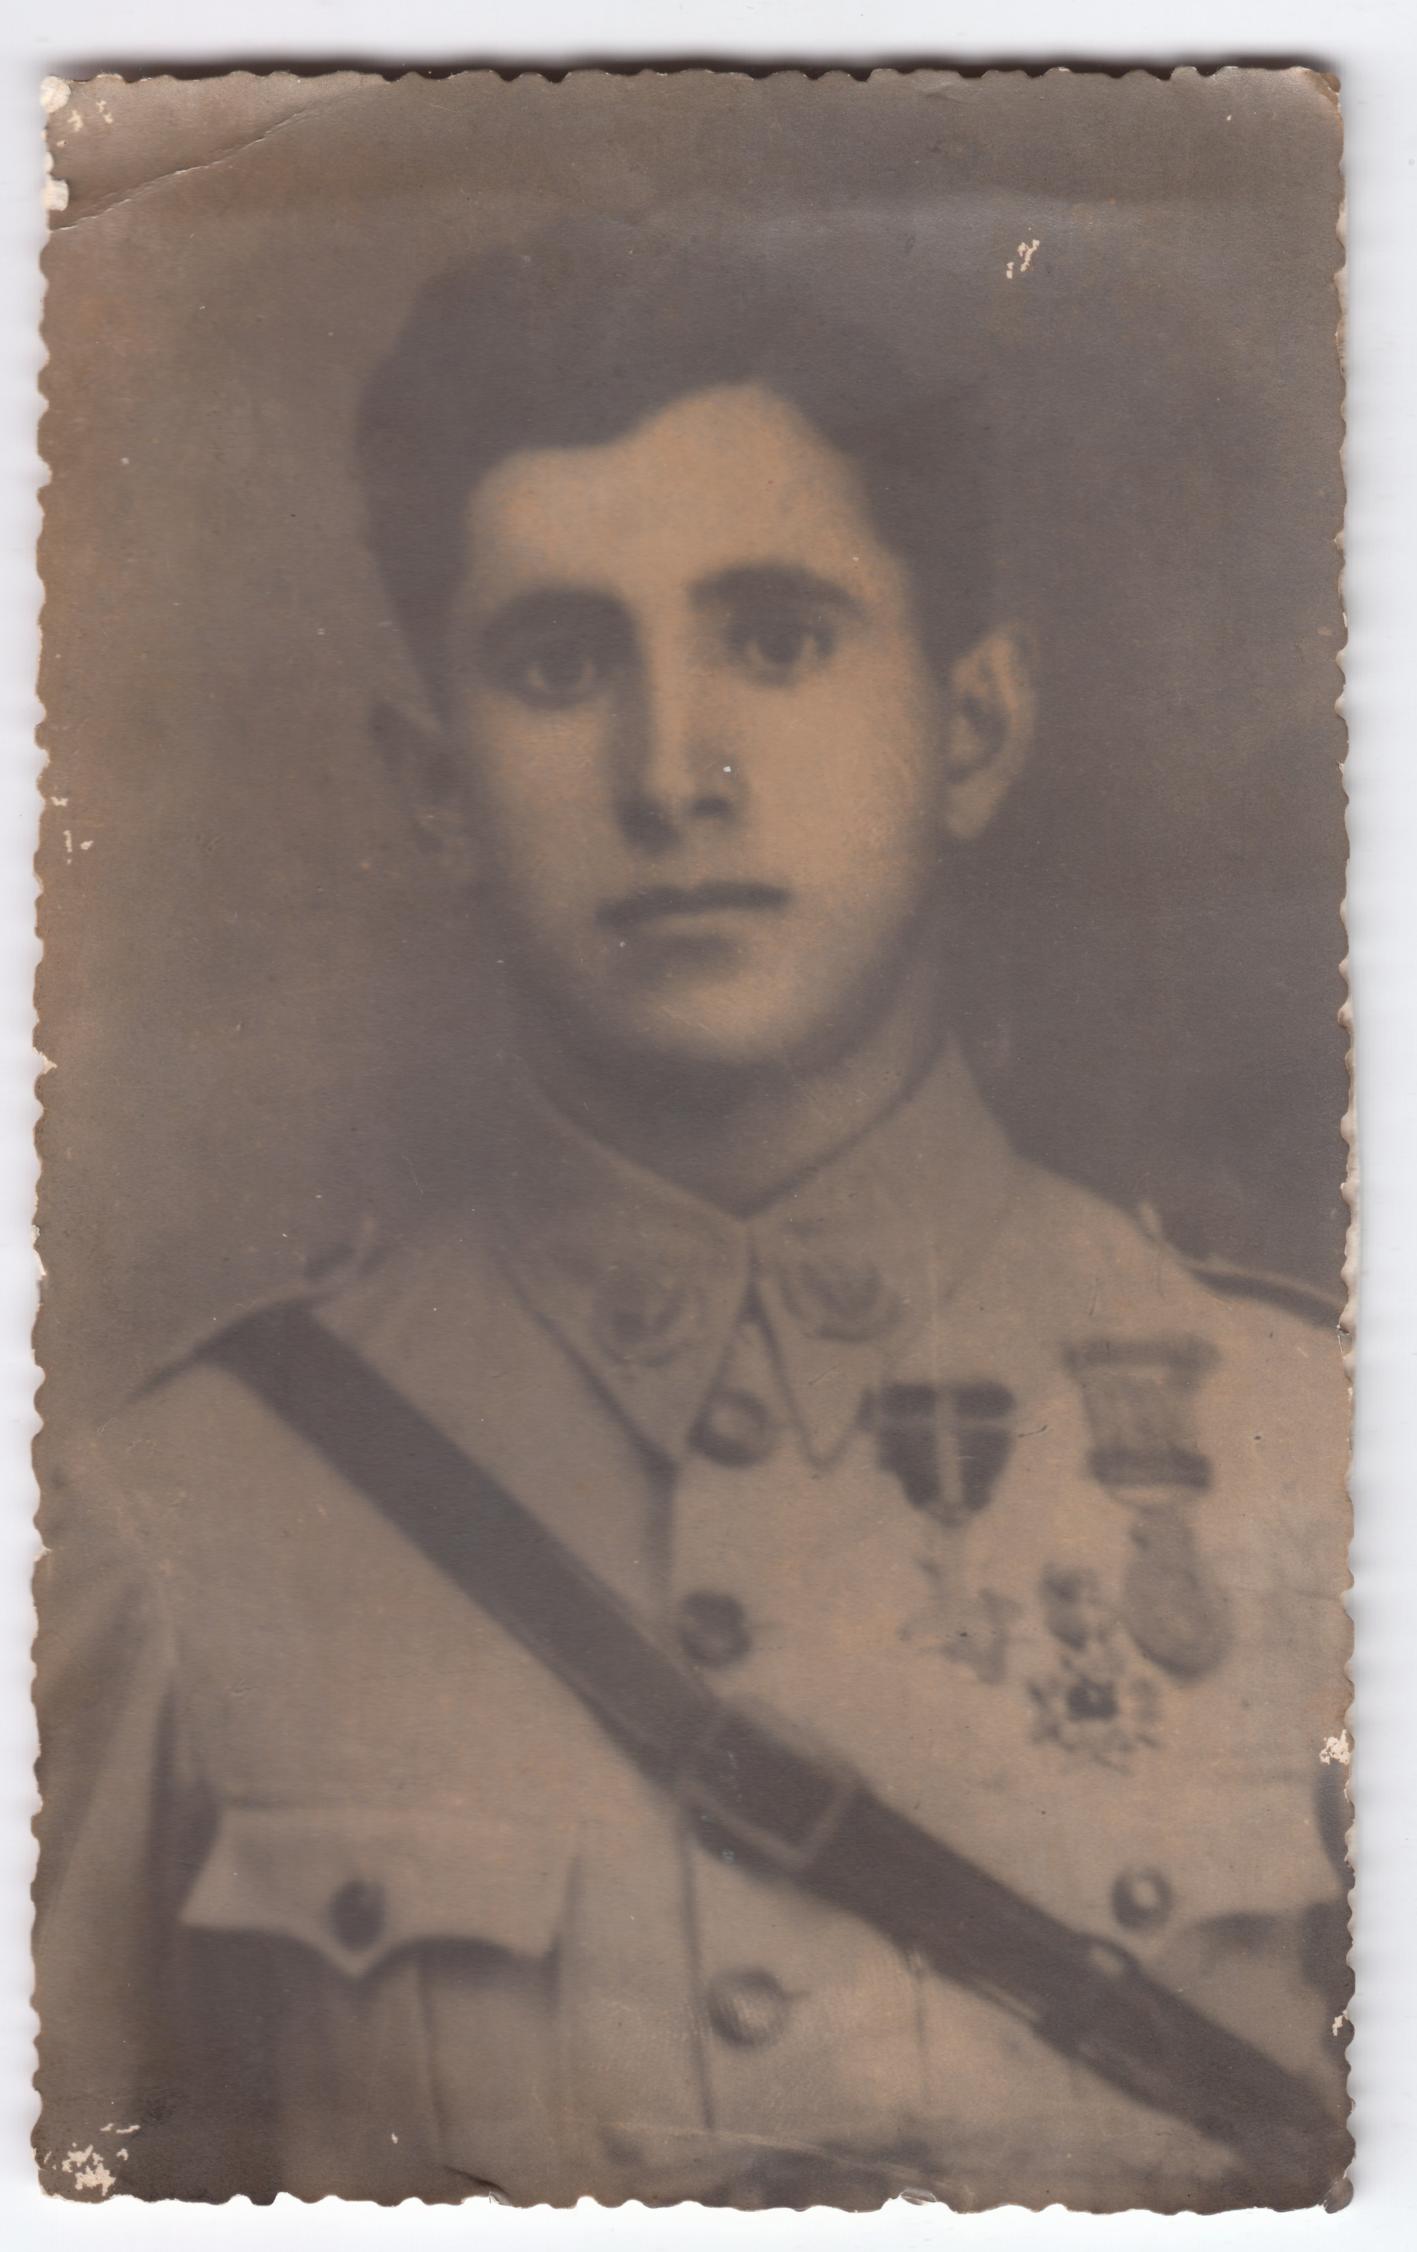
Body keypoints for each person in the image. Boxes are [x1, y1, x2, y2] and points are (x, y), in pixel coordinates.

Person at [34, 221, 1351, 2210]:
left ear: (972, 730)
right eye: (560, 666)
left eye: (779, 640)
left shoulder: (1321, 1459)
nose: (674, 773)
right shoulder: (178, 1527)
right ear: (434, 784)